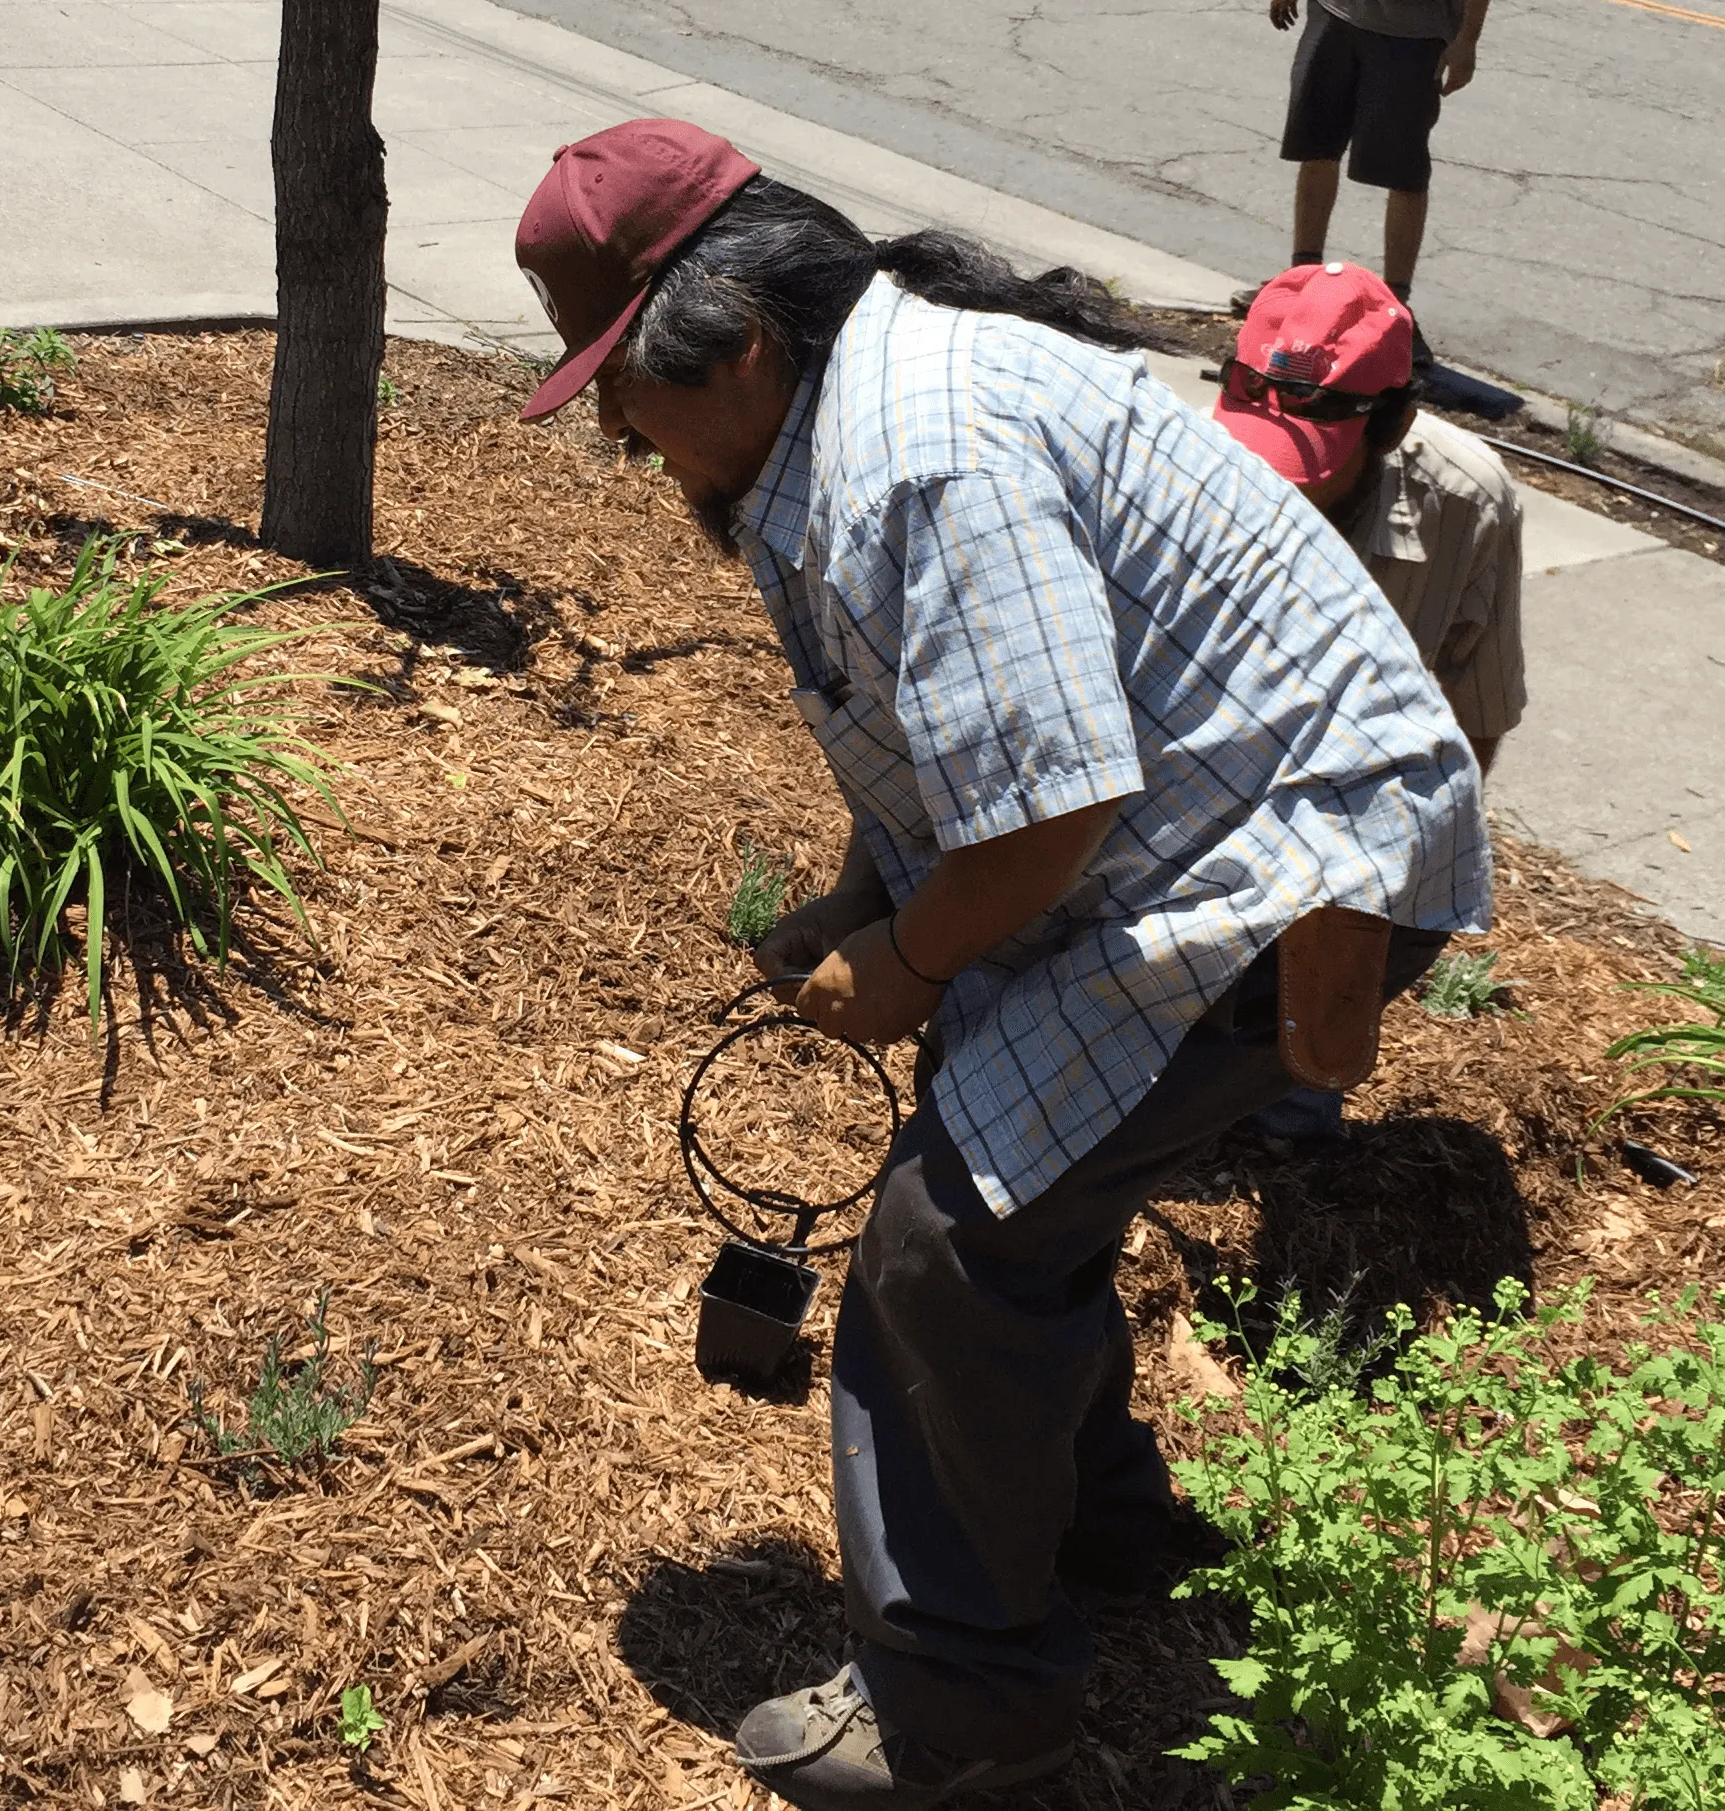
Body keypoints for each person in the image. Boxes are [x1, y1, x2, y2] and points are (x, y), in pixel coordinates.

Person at [515, 120, 1488, 1807]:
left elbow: (1053, 800)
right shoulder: (813, 429)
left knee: (947, 1236)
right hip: (1182, 843)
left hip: (1291, 861)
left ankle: (965, 1714)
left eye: (619, 382)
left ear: (738, 344)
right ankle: (1106, 1535)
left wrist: (902, 959)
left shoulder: (921, 449)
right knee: (1020, 1181)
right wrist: (857, 895)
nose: (609, 422)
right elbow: (930, 724)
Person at [1217, 258, 1524, 1140]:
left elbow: (1473, 717)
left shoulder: (1466, 503)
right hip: (1199, 786)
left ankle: (1290, 1083)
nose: (1276, 483)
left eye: (1310, 459)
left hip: (1345, 821)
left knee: (1292, 1098)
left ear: (1391, 424)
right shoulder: (1186, 453)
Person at [1254, 0, 1492, 364]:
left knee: (1405, 173)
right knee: (1317, 148)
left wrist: (1467, 42)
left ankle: (1396, 309)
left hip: (1415, 35)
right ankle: (1299, 280)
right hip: (1334, 15)